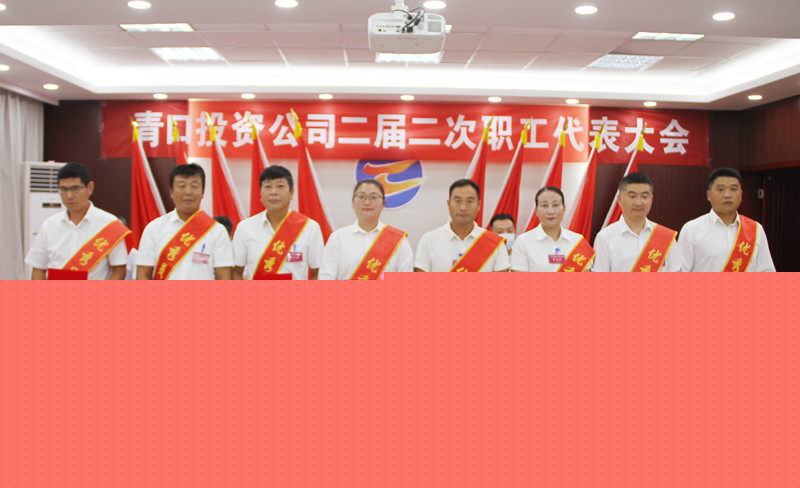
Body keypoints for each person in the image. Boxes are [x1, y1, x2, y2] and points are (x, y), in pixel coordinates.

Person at [25, 162, 130, 280]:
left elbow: (119, 270)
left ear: (90, 188)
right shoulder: (49, 225)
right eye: (63, 189)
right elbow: (38, 268)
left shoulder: (110, 224)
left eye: (75, 189)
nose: (69, 196)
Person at [136, 163, 233, 279]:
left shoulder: (217, 231)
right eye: (181, 186)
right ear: (171, 192)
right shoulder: (154, 228)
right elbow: (143, 274)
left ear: (202, 192)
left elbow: (224, 278)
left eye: (194, 186)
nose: (188, 192)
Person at [232, 165, 324, 280]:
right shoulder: (245, 228)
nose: (274, 192)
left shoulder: (310, 228)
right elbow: (236, 272)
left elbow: (318, 272)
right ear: (260, 194)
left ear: (291, 193)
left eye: (280, 186)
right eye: (268, 186)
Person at [678, 167, 775, 272]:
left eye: (733, 189)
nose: (727, 195)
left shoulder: (756, 230)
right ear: (709, 195)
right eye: (721, 189)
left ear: (741, 195)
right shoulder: (691, 229)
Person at [319, 179, 413, 279]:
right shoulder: (337, 239)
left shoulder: (399, 241)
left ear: (383, 203)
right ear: (353, 201)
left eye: (374, 197)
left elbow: (406, 283)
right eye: (361, 196)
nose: (367, 202)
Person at [415, 179, 509, 272]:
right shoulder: (429, 240)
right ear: (449, 204)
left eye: (469, 201)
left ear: (478, 205)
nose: (463, 207)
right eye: (458, 201)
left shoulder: (495, 243)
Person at [593, 172, 681, 272]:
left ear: (651, 199)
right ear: (619, 199)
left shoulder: (666, 238)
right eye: (632, 196)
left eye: (644, 196)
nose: (638, 202)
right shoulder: (605, 238)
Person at [510, 186, 593, 272]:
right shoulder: (523, 242)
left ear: (564, 209)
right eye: (545, 205)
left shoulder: (578, 241)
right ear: (536, 211)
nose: (550, 211)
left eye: (555, 205)